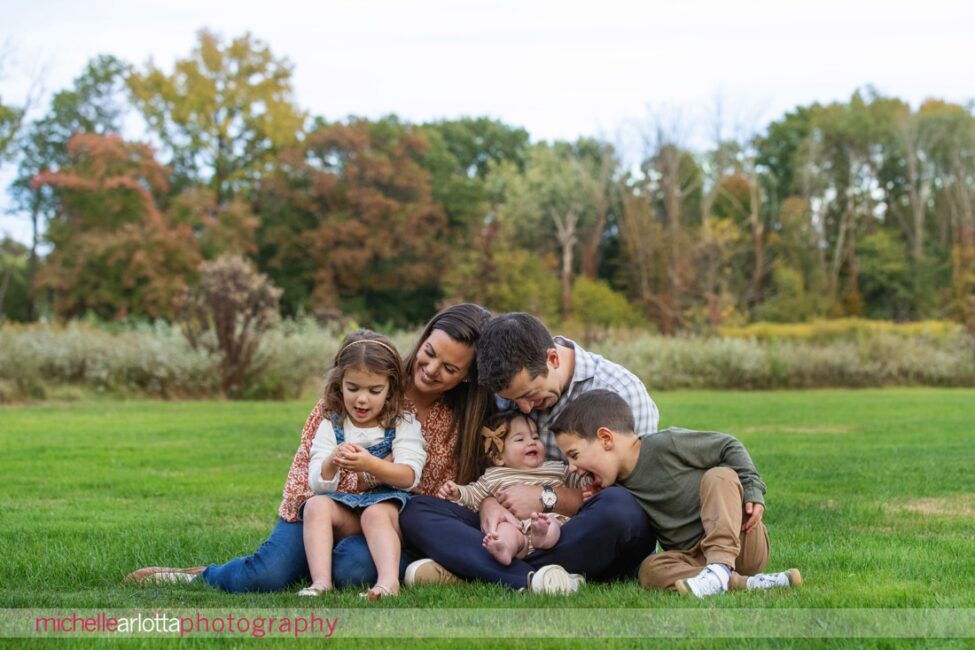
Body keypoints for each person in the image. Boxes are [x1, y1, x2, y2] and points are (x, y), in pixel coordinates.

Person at [124, 303, 492, 592]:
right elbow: (307, 470)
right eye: (429, 353)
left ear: (466, 376)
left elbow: (431, 500)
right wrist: (339, 494)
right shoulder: (358, 387)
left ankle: (329, 568)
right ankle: (201, 576)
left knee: (354, 567)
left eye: (449, 368)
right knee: (267, 577)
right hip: (320, 509)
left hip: (384, 524)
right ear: (423, 339)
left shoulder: (458, 423)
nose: (430, 369)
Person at [400, 312, 659, 593]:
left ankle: (478, 569)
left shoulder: (622, 391)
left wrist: (546, 498)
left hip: (582, 532)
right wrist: (490, 504)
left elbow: (638, 500)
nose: (524, 409)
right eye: (514, 400)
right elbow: (490, 470)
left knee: (621, 508)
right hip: (512, 531)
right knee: (416, 510)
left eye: (531, 395)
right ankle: (539, 579)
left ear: (553, 359)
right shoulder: (506, 385)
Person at [551, 389, 802, 599]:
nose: (572, 467)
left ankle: (721, 568)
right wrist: (600, 496)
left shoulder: (665, 444)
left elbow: (729, 445)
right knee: (649, 570)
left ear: (605, 438)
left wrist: (752, 488)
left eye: (574, 455)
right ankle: (742, 583)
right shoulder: (617, 493)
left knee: (720, 476)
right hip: (692, 560)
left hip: (742, 543)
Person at [297, 330, 424, 600]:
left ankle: (388, 583)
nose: (361, 399)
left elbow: (409, 476)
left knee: (374, 513)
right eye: (352, 388)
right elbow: (317, 484)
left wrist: (371, 464)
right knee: (315, 505)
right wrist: (332, 461)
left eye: (374, 390)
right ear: (339, 384)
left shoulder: (403, 423)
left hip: (387, 509)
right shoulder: (331, 425)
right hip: (346, 509)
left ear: (391, 389)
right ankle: (321, 583)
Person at [437, 410, 585, 566]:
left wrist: (587, 482)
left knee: (551, 523)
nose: (531, 442)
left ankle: (541, 535)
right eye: (520, 439)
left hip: (550, 521)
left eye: (535, 437)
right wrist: (457, 492)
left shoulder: (556, 468)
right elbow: (474, 494)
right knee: (505, 530)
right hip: (516, 526)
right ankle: (504, 548)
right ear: (498, 457)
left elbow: (577, 481)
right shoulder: (494, 476)